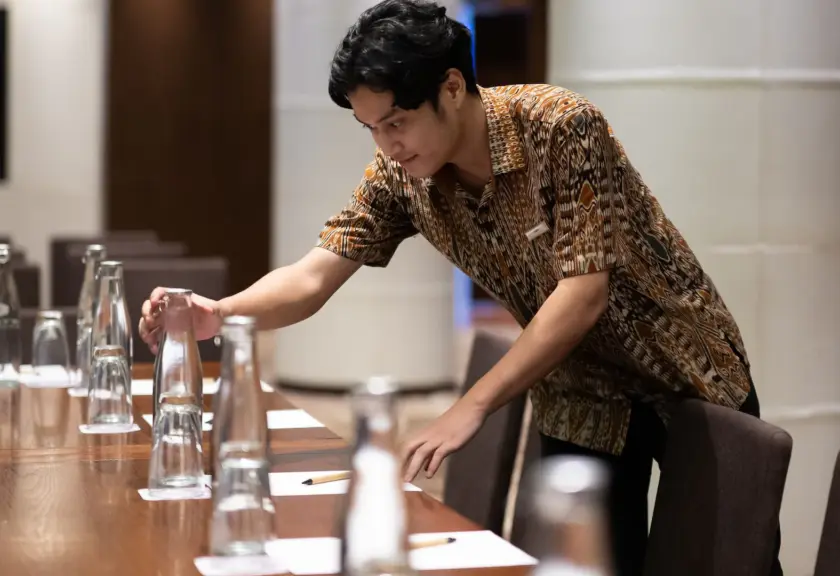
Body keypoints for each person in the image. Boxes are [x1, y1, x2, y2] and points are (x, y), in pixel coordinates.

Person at [138, 1, 782, 574]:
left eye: (396, 122)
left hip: (685, 372)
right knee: (587, 557)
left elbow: (583, 292)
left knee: (724, 562)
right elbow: (315, 273)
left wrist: (471, 404)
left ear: (450, 87)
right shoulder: (402, 176)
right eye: (371, 129)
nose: (387, 145)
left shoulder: (560, 126)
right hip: (581, 390)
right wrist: (221, 313)